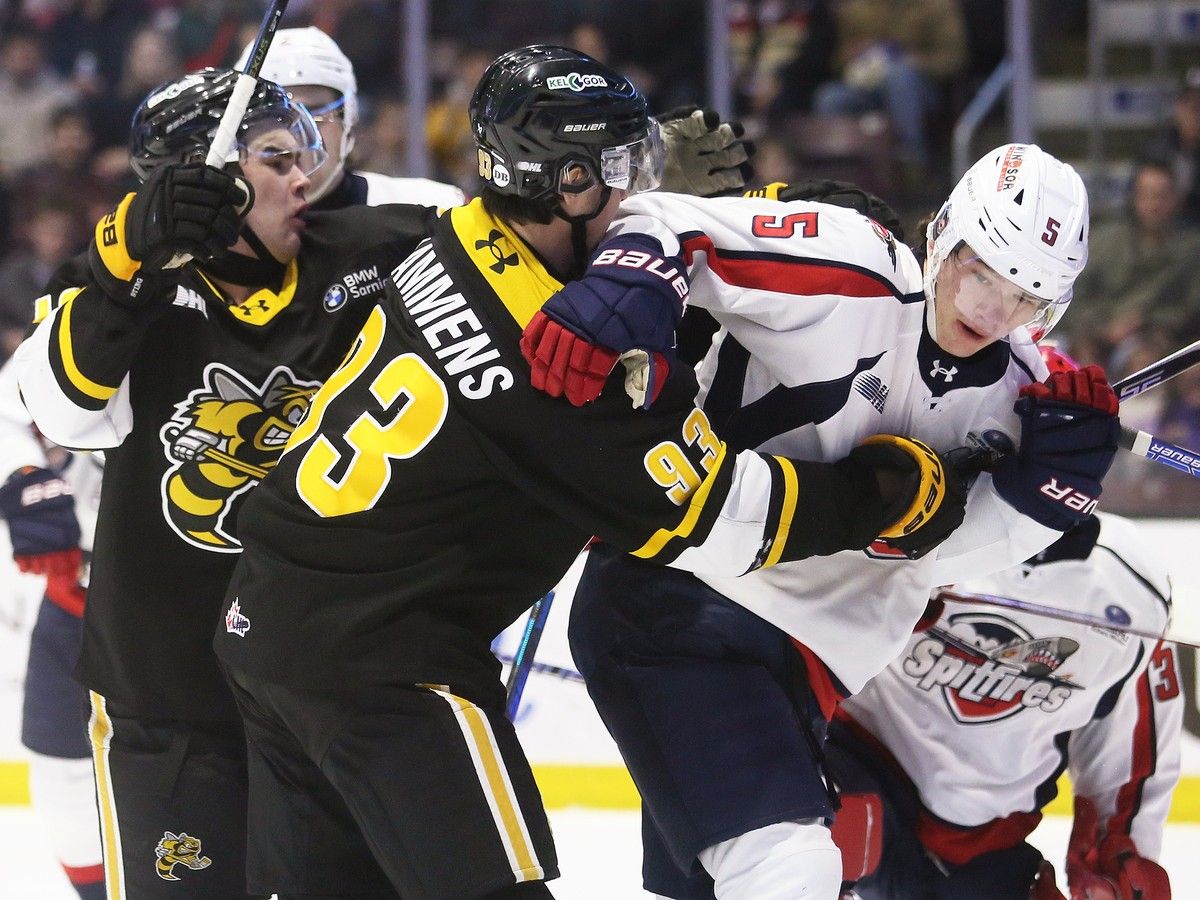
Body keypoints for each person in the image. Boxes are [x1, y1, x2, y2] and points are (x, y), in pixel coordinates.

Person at [210, 44, 969, 900]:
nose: (640, 190)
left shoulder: (461, 231)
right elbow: (721, 517)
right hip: (385, 666)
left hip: (263, 623)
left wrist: (687, 226)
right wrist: (886, 496)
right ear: (567, 184)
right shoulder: (555, 362)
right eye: (621, 169)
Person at [524, 145, 1115, 898]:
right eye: (983, 272)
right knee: (790, 869)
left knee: (726, 883)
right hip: (682, 604)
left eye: (1028, 298)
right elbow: (672, 226)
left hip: (804, 668)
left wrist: (1045, 497)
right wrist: (626, 281)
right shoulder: (851, 264)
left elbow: (940, 557)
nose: (993, 311)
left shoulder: (1026, 395)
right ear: (943, 235)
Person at [13, 67, 441, 899]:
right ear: (201, 175)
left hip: (330, 695)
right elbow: (61, 411)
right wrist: (134, 241)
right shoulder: (124, 292)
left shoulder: (374, 252)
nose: (303, 175)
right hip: (171, 704)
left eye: (303, 154)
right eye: (275, 157)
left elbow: (519, 246)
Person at [830, 505, 1181, 898]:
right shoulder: (917, 510)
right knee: (808, 836)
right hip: (853, 775)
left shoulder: (1132, 588)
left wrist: (1119, 850)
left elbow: (1132, 744)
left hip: (984, 852)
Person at [0, 358, 102, 900]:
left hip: (209, 593)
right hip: (78, 589)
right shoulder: (93, 296)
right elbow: (8, 406)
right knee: (60, 768)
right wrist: (24, 472)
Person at [235, 26, 467, 210]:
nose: (296, 136)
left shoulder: (432, 209)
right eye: (274, 116)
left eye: (314, 111)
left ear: (349, 121)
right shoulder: (219, 232)